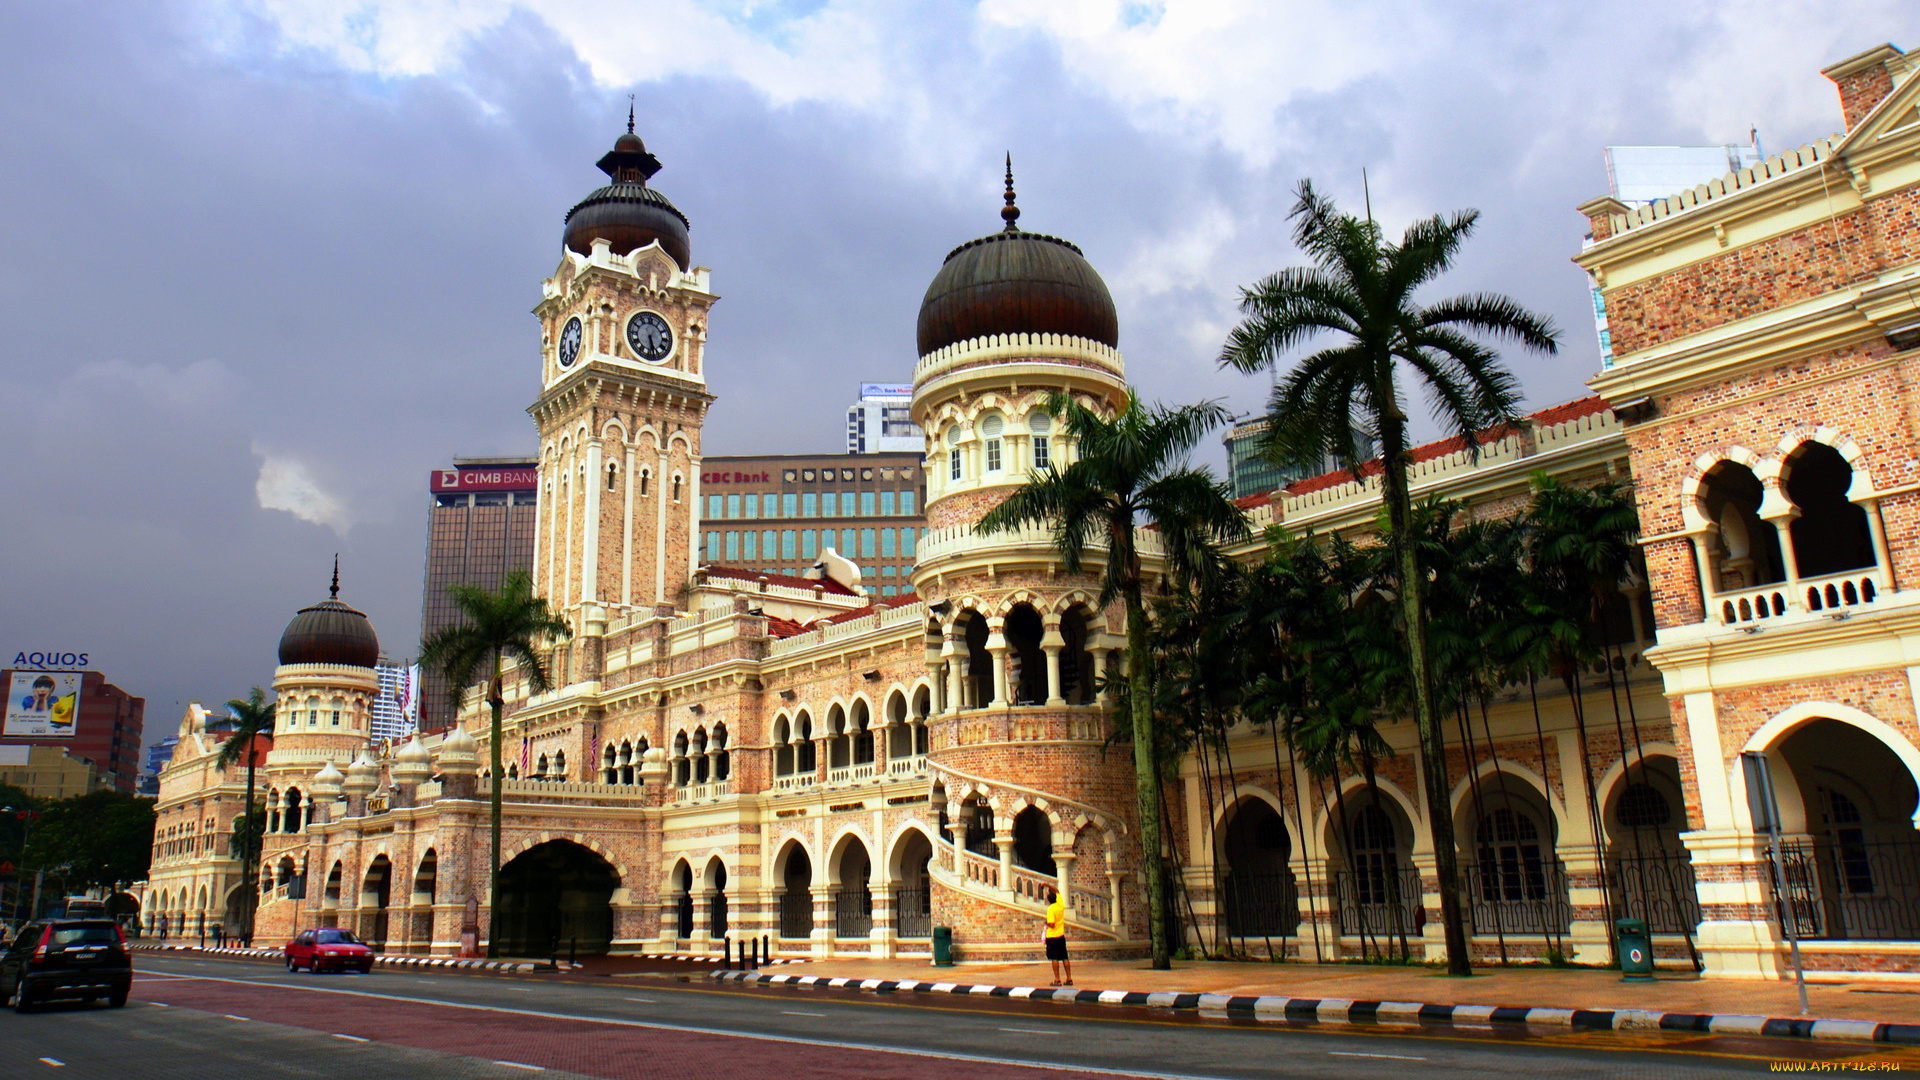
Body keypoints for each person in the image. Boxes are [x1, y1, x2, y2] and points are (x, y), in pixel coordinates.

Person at [1044, 888, 1072, 987]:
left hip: (1052, 936)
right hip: (1061, 935)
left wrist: (1046, 923)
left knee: (1054, 958)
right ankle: (1069, 978)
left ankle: (1057, 979)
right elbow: (1057, 890)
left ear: (1048, 900)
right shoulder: (1060, 905)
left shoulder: (1051, 909)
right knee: (1064, 957)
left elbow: (1051, 924)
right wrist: (1047, 885)